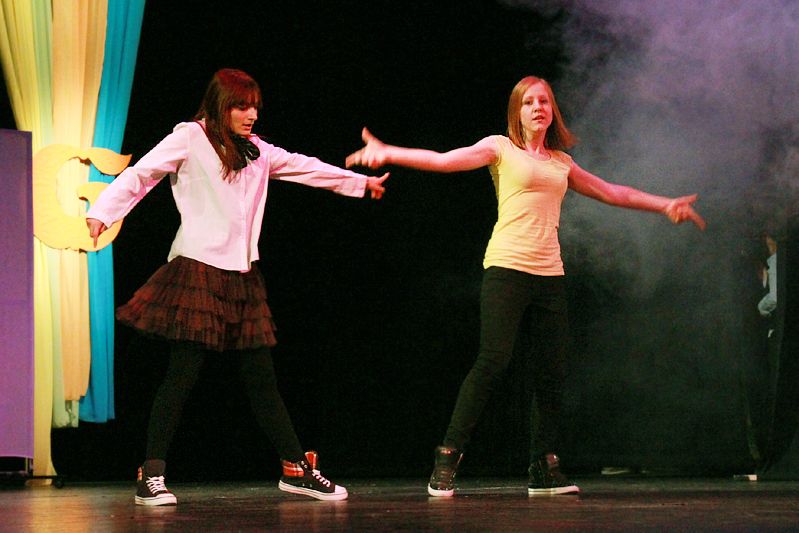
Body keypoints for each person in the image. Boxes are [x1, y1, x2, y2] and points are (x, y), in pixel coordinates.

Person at [346, 75, 705, 497]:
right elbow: (444, 160)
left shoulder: (561, 162)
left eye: (545, 101)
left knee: (551, 372)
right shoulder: (500, 148)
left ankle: (543, 468)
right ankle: (447, 456)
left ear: (553, 111)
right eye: (530, 102)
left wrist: (665, 205)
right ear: (517, 111)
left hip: (550, 274)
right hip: (507, 267)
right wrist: (388, 152)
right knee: (493, 361)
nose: (538, 108)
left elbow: (612, 192)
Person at [86, 68, 388, 506]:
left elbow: (305, 167)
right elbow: (142, 174)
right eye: (241, 106)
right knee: (181, 375)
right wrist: (103, 211)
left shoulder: (258, 151)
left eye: (254, 108)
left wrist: (360, 184)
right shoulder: (190, 137)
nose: (251, 115)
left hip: (243, 276)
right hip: (198, 271)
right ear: (220, 105)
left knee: (262, 380)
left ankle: (296, 468)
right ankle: (150, 474)